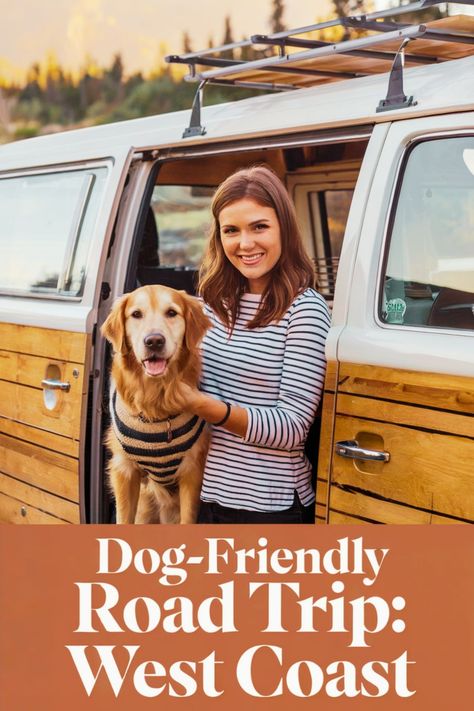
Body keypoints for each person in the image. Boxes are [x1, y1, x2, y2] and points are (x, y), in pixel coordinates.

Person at [177, 165, 331, 523]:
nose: (245, 244)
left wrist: (205, 405)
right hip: (202, 496)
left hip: (270, 506)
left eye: (259, 227)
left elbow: (292, 429)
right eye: (231, 230)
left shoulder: (304, 309)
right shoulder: (208, 305)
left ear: (285, 230)